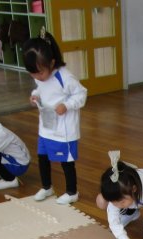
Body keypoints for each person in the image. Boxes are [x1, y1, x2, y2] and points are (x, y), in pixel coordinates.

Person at [22, 28, 87, 205]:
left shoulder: (65, 77)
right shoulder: (40, 76)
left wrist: (66, 105)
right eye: (32, 74)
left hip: (64, 130)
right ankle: (47, 186)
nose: (37, 77)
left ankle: (72, 192)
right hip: (46, 126)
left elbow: (81, 94)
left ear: (51, 63)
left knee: (66, 161)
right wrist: (35, 95)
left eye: (40, 73)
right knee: (42, 157)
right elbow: (41, 89)